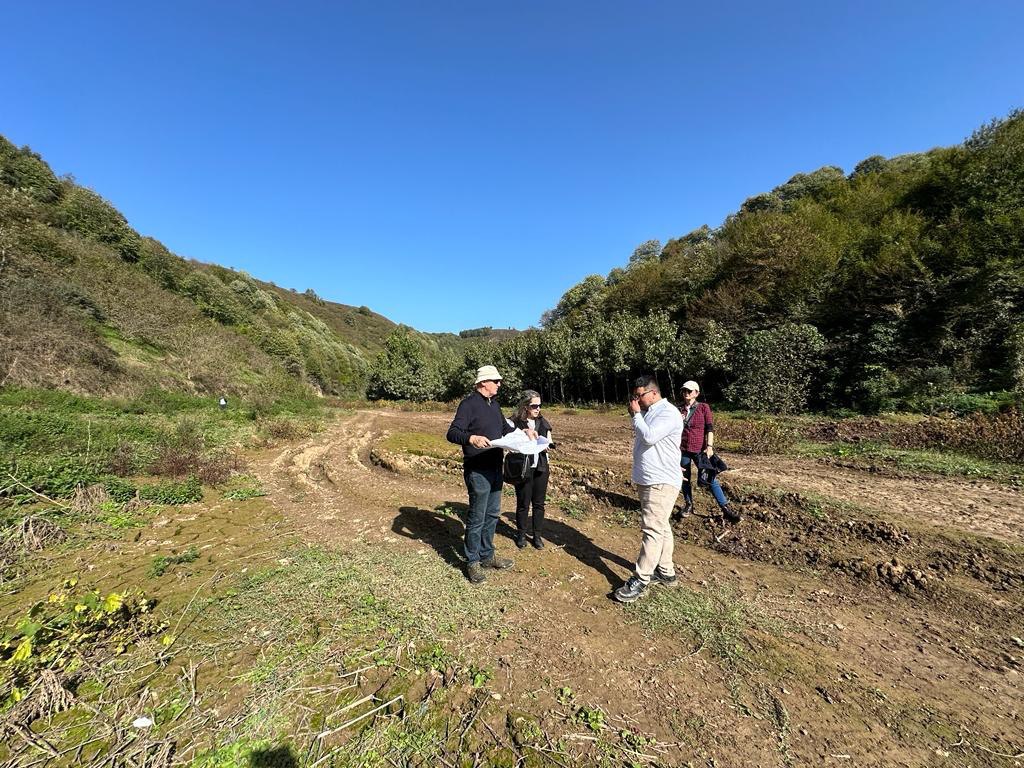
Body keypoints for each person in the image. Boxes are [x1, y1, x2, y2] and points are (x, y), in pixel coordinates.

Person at [446, 365, 529, 584]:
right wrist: (471, 438)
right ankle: (472, 561)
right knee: (477, 517)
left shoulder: (495, 405)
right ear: (483, 382)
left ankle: (487, 555)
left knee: (493, 514)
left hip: (495, 467)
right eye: (496, 381)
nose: (500, 384)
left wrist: (524, 433)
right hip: (477, 469)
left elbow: (505, 429)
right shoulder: (468, 405)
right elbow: (453, 432)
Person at [614, 375, 684, 604]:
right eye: (635, 396)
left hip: (660, 481)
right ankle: (666, 572)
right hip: (651, 480)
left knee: (652, 530)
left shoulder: (667, 412)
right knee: (661, 527)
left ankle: (641, 579)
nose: (637, 400)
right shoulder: (650, 412)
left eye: (639, 395)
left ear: (653, 393)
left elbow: (650, 436)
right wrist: (638, 415)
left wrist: (636, 415)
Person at [676, 380, 739, 524]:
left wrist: (709, 446)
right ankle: (688, 504)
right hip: (682, 449)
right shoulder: (678, 409)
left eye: (689, 391)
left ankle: (725, 508)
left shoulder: (704, 408)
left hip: (700, 450)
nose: (686, 393)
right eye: (684, 391)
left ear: (696, 393)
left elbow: (709, 428)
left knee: (710, 478)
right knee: (684, 478)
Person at [507, 390, 553, 550]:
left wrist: (547, 445)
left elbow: (549, 441)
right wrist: (523, 436)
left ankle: (537, 536)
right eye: (534, 405)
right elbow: (509, 443)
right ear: (526, 406)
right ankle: (520, 535)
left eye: (540, 405)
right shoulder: (514, 422)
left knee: (539, 504)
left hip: (541, 467)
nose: (538, 408)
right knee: (523, 502)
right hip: (523, 468)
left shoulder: (543, 422)